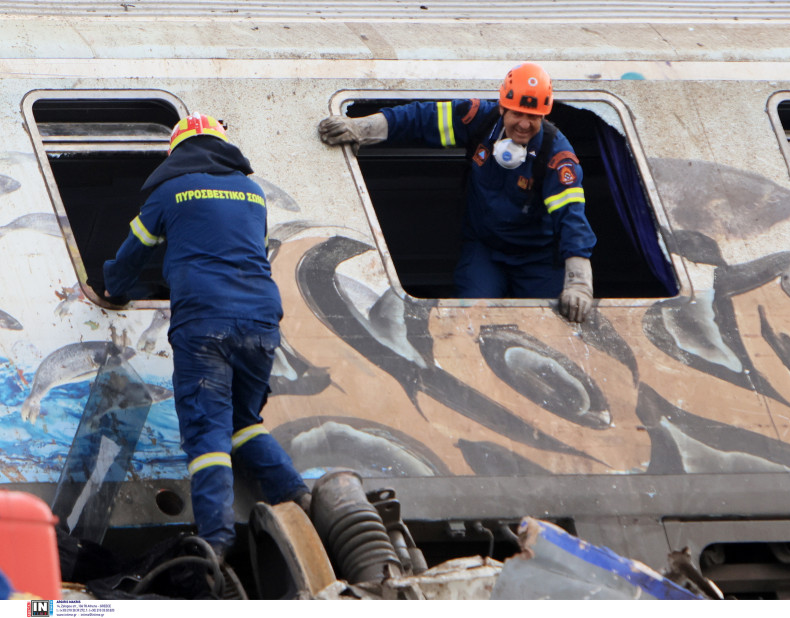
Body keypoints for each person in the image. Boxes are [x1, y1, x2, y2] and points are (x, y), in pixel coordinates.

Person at [103, 112, 311, 560]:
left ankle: (215, 542)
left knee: (206, 433)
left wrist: (112, 290)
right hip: (261, 321)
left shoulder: (170, 190)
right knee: (243, 421)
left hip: (204, 323)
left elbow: (131, 256)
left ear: (176, 153)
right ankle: (297, 497)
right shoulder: (252, 193)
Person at [318, 62, 597, 323]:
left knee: (547, 327)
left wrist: (579, 284)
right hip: (485, 250)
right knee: (470, 321)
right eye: (517, 113)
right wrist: (359, 127)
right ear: (502, 108)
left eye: (533, 117)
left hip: (538, 258)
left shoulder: (556, 156)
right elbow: (418, 118)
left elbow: (571, 218)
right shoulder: (479, 121)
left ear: (544, 115)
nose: (524, 124)